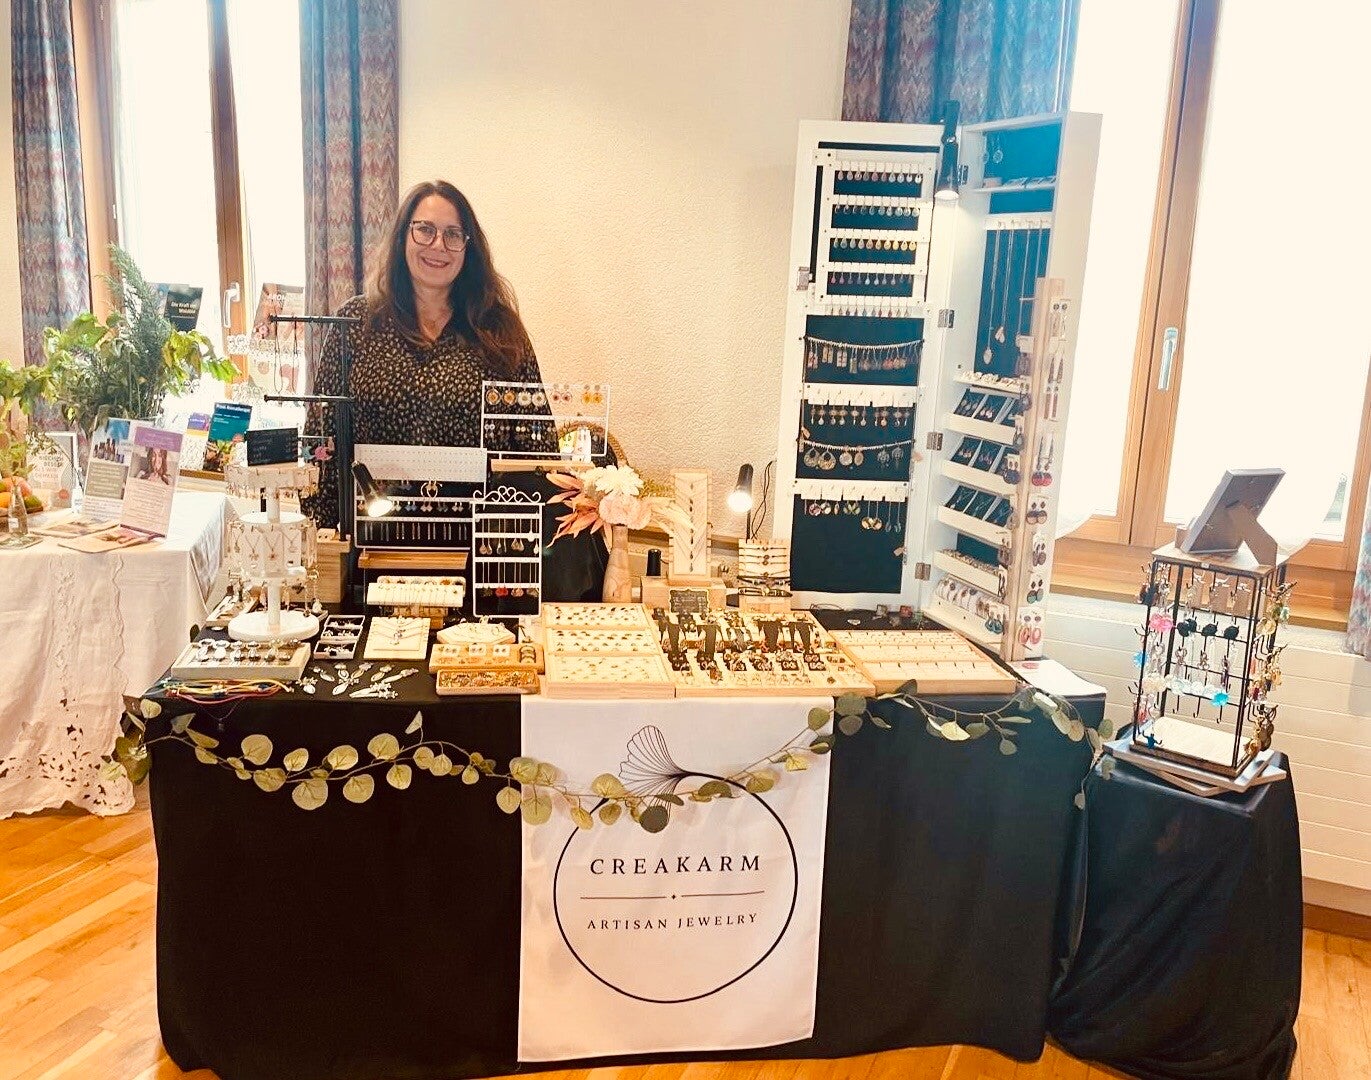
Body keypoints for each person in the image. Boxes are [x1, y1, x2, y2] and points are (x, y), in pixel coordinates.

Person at [306, 180, 553, 529]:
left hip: (477, 540)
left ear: (468, 247)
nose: (438, 245)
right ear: (402, 237)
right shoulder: (355, 323)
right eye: (425, 230)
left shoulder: (500, 330)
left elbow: (536, 444)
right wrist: (324, 533)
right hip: (370, 536)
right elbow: (322, 435)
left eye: (453, 234)